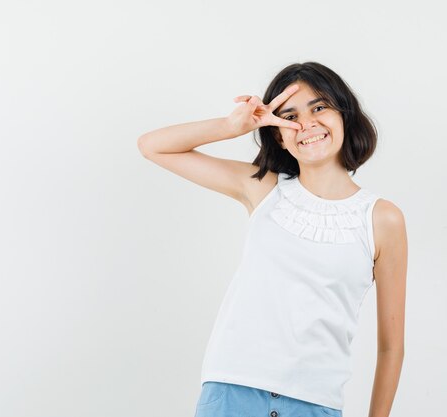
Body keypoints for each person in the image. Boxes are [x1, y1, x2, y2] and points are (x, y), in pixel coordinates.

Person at [137, 62, 407, 417]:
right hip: (232, 393)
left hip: (315, 404)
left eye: (319, 107)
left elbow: (391, 348)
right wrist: (232, 126)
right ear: (278, 134)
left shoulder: (382, 218)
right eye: (289, 115)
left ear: (345, 115)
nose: (306, 123)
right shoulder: (263, 188)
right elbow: (153, 146)